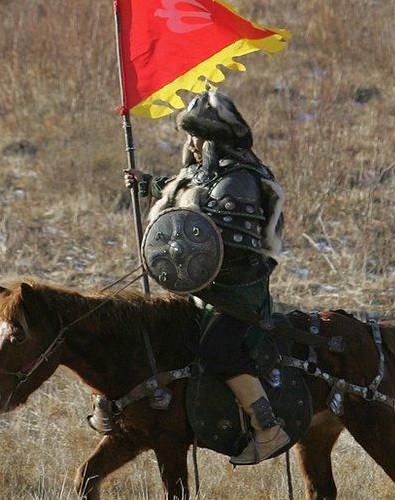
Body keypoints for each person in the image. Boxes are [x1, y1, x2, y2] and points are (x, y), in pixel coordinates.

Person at [124, 91, 290, 465]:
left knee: (218, 351)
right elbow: (186, 194)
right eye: (189, 136)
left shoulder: (240, 183)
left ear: (215, 139)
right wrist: (149, 183)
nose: (190, 143)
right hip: (206, 291)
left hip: (238, 295)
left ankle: (267, 426)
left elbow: (229, 248)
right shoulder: (207, 173)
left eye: (196, 136)